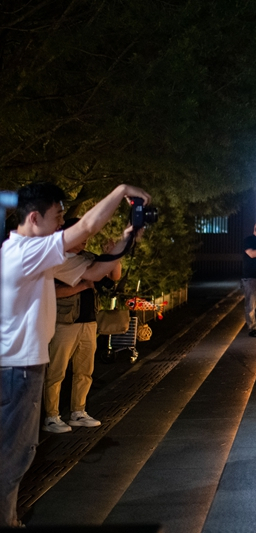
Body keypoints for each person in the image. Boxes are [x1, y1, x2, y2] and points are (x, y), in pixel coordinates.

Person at [1, 182, 151, 528]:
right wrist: (121, 191)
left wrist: (127, 240)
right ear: (35, 217)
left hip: (20, 366)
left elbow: (95, 272)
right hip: (17, 368)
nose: (63, 224)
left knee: (16, 451)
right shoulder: (26, 251)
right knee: (14, 453)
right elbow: (85, 229)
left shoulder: (31, 253)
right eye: (58, 216)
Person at [42, 218, 128, 433]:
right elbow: (51, 292)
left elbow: (111, 279)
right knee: (56, 371)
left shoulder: (89, 258)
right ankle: (51, 416)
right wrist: (83, 286)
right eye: (81, 238)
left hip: (88, 320)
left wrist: (113, 256)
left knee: (85, 370)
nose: (85, 243)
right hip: (64, 322)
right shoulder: (55, 260)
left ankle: (78, 411)